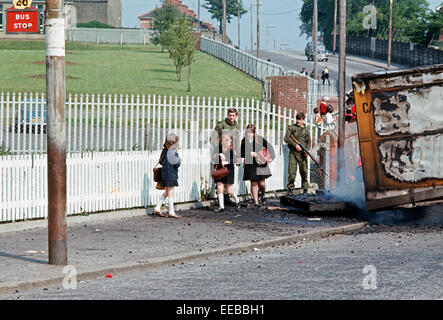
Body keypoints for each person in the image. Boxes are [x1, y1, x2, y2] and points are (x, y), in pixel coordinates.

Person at [241, 124, 276, 208]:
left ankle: (263, 196)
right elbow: (241, 153)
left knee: (262, 183)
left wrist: (271, 157)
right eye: (248, 132)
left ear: (254, 132)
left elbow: (270, 147)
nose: (249, 134)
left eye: (251, 133)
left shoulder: (259, 139)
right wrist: (249, 154)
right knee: (253, 183)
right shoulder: (244, 141)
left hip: (260, 163)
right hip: (250, 164)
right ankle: (256, 202)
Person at [153, 133, 182, 218]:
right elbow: (177, 163)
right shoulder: (173, 151)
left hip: (164, 173)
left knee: (166, 192)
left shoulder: (164, 150)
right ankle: (171, 212)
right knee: (170, 192)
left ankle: (157, 208)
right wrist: (179, 159)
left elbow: (161, 161)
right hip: (171, 174)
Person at [283, 112, 311, 195]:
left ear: (303, 120)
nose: (298, 121)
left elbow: (308, 142)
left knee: (304, 172)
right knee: (291, 172)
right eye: (297, 119)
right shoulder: (291, 127)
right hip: (293, 153)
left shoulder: (306, 130)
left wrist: (306, 150)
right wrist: (295, 145)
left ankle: (305, 189)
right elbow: (286, 138)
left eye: (300, 119)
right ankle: (290, 189)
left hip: (303, 153)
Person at [212, 133, 241, 213]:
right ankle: (221, 206)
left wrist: (226, 162)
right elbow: (213, 157)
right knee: (219, 187)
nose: (230, 144)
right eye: (229, 142)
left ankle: (237, 201)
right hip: (219, 170)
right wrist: (219, 154)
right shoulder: (218, 148)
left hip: (229, 170)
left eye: (230, 142)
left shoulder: (231, 150)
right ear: (224, 141)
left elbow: (235, 160)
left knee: (229, 190)